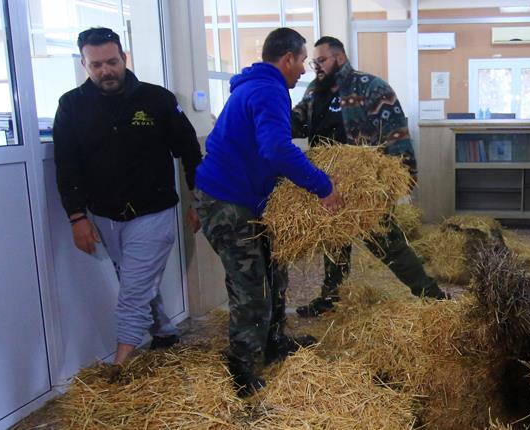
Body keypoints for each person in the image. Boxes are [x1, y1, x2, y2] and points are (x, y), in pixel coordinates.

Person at [193, 27, 344, 397]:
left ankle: (273, 341)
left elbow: (267, 150)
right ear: (287, 59)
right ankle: (241, 368)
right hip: (228, 201)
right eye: (302, 62)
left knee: (275, 274)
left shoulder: (259, 87)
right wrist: (323, 186)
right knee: (252, 288)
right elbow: (276, 148)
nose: (305, 71)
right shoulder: (268, 89)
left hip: (247, 198)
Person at [54, 27, 203, 365]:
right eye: (96, 65)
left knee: (133, 290)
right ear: (84, 65)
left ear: (124, 58)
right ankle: (164, 332)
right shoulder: (72, 107)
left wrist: (200, 199)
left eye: (112, 62)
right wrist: (77, 217)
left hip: (154, 212)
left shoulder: (158, 99)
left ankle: (120, 365)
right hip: (106, 214)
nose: (106, 71)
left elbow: (190, 151)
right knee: (134, 277)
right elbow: (67, 167)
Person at [291, 36, 448, 317]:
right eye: (314, 62)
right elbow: (298, 121)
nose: (317, 67)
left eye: (322, 60)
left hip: (362, 183)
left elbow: (396, 134)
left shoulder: (372, 88)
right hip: (328, 184)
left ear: (339, 58)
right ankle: (330, 298)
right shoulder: (315, 91)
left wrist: (403, 175)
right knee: (333, 243)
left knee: (387, 242)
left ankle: (432, 295)